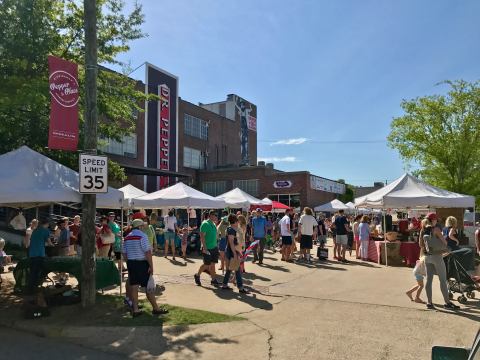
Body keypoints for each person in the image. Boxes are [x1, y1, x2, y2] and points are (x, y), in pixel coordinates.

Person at [123, 219, 167, 317]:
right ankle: (156, 308)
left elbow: (124, 253)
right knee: (149, 287)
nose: (144, 227)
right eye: (143, 226)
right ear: (140, 226)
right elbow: (147, 252)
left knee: (134, 286)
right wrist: (151, 266)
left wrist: (129, 262)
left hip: (131, 263)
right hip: (142, 263)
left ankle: (135, 309)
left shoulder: (127, 237)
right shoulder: (142, 236)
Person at [420, 213, 459, 310]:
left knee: (429, 280)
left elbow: (420, 245)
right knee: (442, 280)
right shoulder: (436, 229)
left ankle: (429, 303)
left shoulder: (423, 230)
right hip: (437, 256)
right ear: (433, 220)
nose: (437, 221)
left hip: (427, 257)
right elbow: (445, 242)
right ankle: (447, 303)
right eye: (436, 220)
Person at [221, 214, 248, 293]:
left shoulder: (233, 228)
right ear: (235, 221)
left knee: (230, 269)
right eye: (237, 221)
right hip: (231, 252)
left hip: (233, 251)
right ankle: (240, 288)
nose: (238, 222)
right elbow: (231, 242)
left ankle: (224, 285)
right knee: (237, 269)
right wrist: (235, 254)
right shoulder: (231, 229)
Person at [194, 211, 220, 287]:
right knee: (206, 264)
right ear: (211, 215)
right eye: (215, 215)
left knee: (213, 264)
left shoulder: (214, 224)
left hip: (214, 247)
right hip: (207, 248)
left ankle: (213, 280)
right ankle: (197, 275)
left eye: (216, 215)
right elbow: (202, 237)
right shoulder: (205, 224)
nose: (216, 216)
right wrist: (205, 248)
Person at [27, 219, 50, 295]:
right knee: (37, 272)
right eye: (48, 225)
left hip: (32, 254)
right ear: (46, 224)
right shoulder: (46, 230)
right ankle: (33, 289)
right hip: (39, 254)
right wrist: (53, 245)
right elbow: (49, 242)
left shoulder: (35, 230)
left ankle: (30, 288)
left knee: (32, 272)